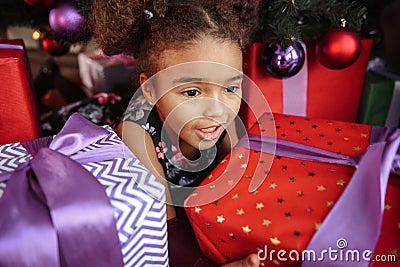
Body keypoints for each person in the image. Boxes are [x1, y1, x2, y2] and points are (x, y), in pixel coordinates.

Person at [90, 0, 260, 266]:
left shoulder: (227, 123)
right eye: (192, 92)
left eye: (230, 88)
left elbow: (245, 195)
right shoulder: (136, 135)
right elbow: (164, 224)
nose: (216, 110)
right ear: (151, 89)